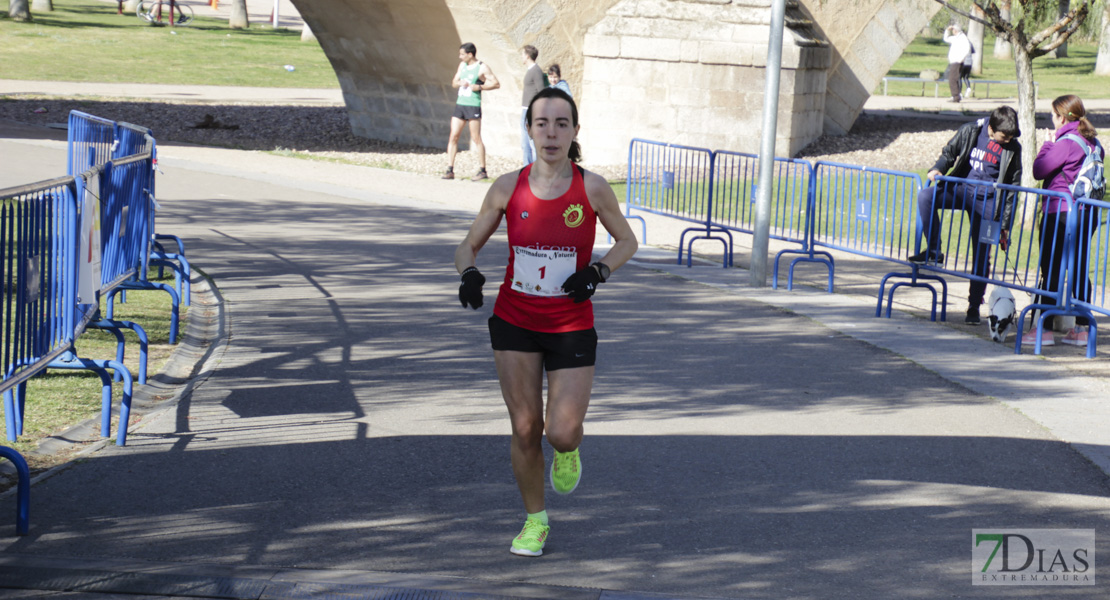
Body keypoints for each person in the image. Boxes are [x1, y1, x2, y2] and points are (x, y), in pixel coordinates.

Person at [454, 87, 638, 557]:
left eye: (561, 123)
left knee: (559, 431)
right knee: (523, 427)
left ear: (575, 131)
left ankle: (569, 448)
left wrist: (597, 272)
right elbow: (466, 246)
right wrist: (470, 274)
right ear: (530, 129)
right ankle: (535, 521)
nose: (551, 132)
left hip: (571, 323)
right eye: (542, 123)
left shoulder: (591, 187)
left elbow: (626, 241)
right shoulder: (505, 187)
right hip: (515, 319)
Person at [910, 105, 1022, 325]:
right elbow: (950, 152)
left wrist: (1005, 224)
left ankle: (973, 305)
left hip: (988, 202)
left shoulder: (1013, 148)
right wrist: (938, 168)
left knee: (981, 255)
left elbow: (1013, 187)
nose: (1008, 140)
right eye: (1004, 136)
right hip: (962, 189)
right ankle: (934, 250)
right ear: (992, 127)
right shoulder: (971, 130)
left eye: (1011, 137)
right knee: (926, 197)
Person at [1028, 94, 1104, 347]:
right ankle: (1082, 329)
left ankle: (1044, 330)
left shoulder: (1065, 142)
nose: (1052, 120)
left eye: (1053, 115)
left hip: (1059, 211)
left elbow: (1039, 170)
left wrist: (1047, 145)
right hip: (1087, 212)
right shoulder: (1095, 143)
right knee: (1079, 265)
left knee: (1051, 267)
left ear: (1061, 117)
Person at [444, 43, 500, 181]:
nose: (460, 56)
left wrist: (479, 87)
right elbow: (453, 82)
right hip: (460, 104)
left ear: (470, 54)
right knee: (453, 136)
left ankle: (482, 170)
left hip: (473, 106)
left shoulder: (482, 67)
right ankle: (450, 169)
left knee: (476, 138)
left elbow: (496, 83)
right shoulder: (462, 66)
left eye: (462, 54)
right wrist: (459, 83)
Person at [520, 45, 545, 166]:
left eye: (523, 54)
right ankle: (527, 168)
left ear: (528, 56)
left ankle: (535, 168)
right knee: (525, 142)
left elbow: (541, 92)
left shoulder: (536, 71)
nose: (522, 57)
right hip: (525, 109)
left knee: (531, 141)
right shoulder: (530, 70)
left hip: (531, 110)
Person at [943, 24, 972, 103]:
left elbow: (967, 49)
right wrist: (947, 30)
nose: (952, 31)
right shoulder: (956, 38)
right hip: (954, 61)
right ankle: (955, 96)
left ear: (956, 30)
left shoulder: (963, 38)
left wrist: (960, 59)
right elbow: (946, 39)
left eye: (953, 29)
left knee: (952, 79)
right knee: (953, 79)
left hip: (957, 61)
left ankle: (956, 97)